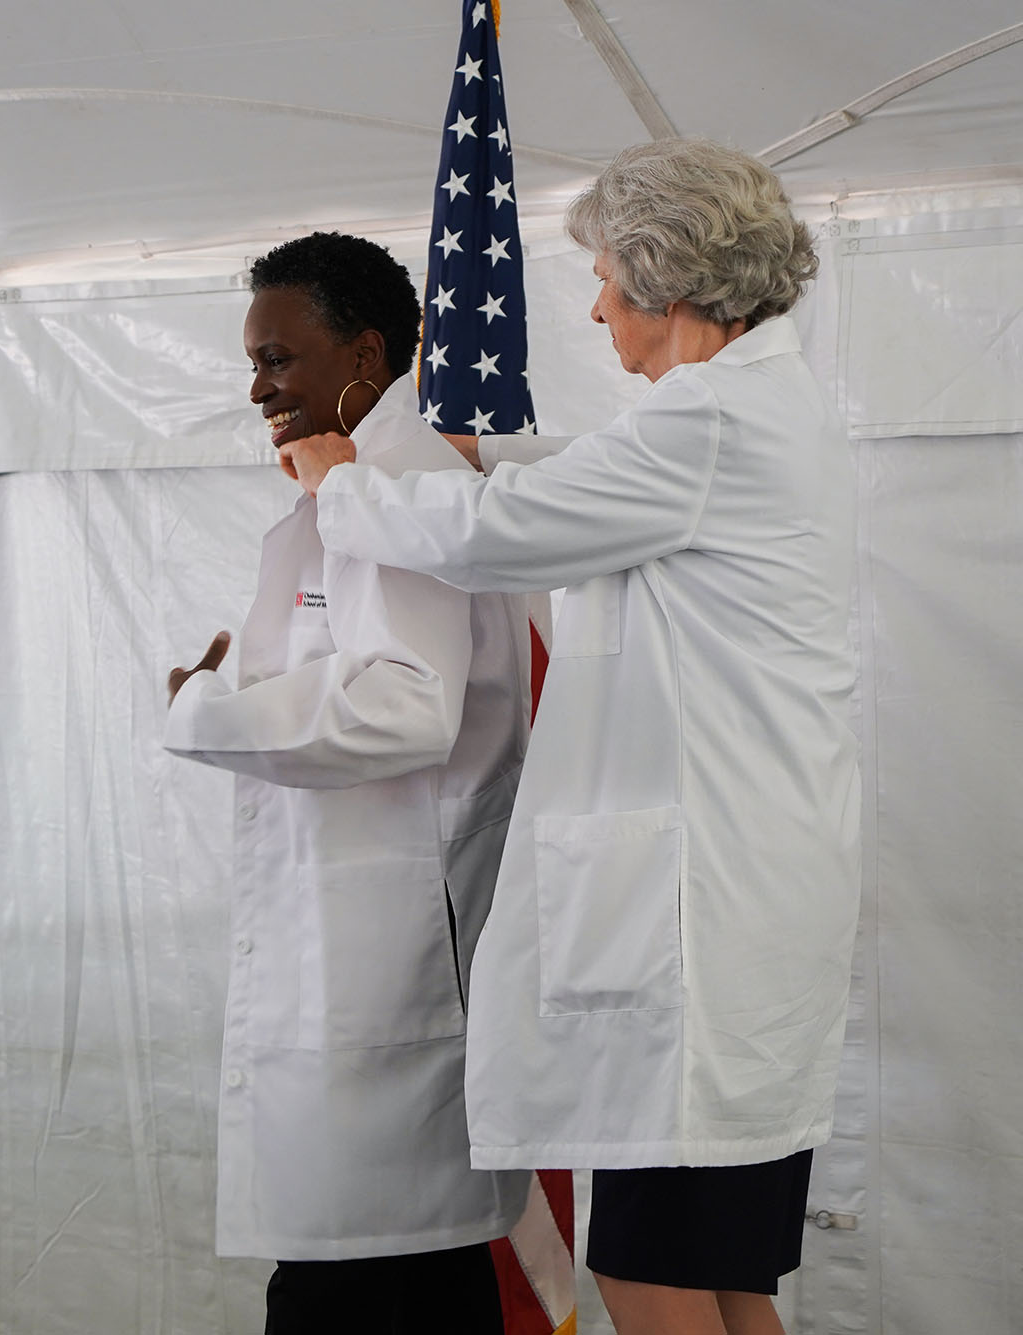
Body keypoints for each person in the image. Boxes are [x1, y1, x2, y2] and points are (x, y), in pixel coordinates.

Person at [278, 142, 861, 1335]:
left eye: (604, 275)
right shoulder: (753, 410)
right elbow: (592, 475)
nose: (594, 303)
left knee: (645, 1272)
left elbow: (502, 536)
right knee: (726, 1275)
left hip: (700, 928)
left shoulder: (705, 424)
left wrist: (340, 485)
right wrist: (480, 450)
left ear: (668, 278)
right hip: (745, 905)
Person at [162, 231, 536, 1335]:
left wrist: (208, 712)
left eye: (277, 357)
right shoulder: (354, 488)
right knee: (373, 1282)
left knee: (367, 1289)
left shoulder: (396, 487)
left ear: (364, 352)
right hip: (353, 959)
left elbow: (404, 704)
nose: (256, 386)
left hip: (389, 974)